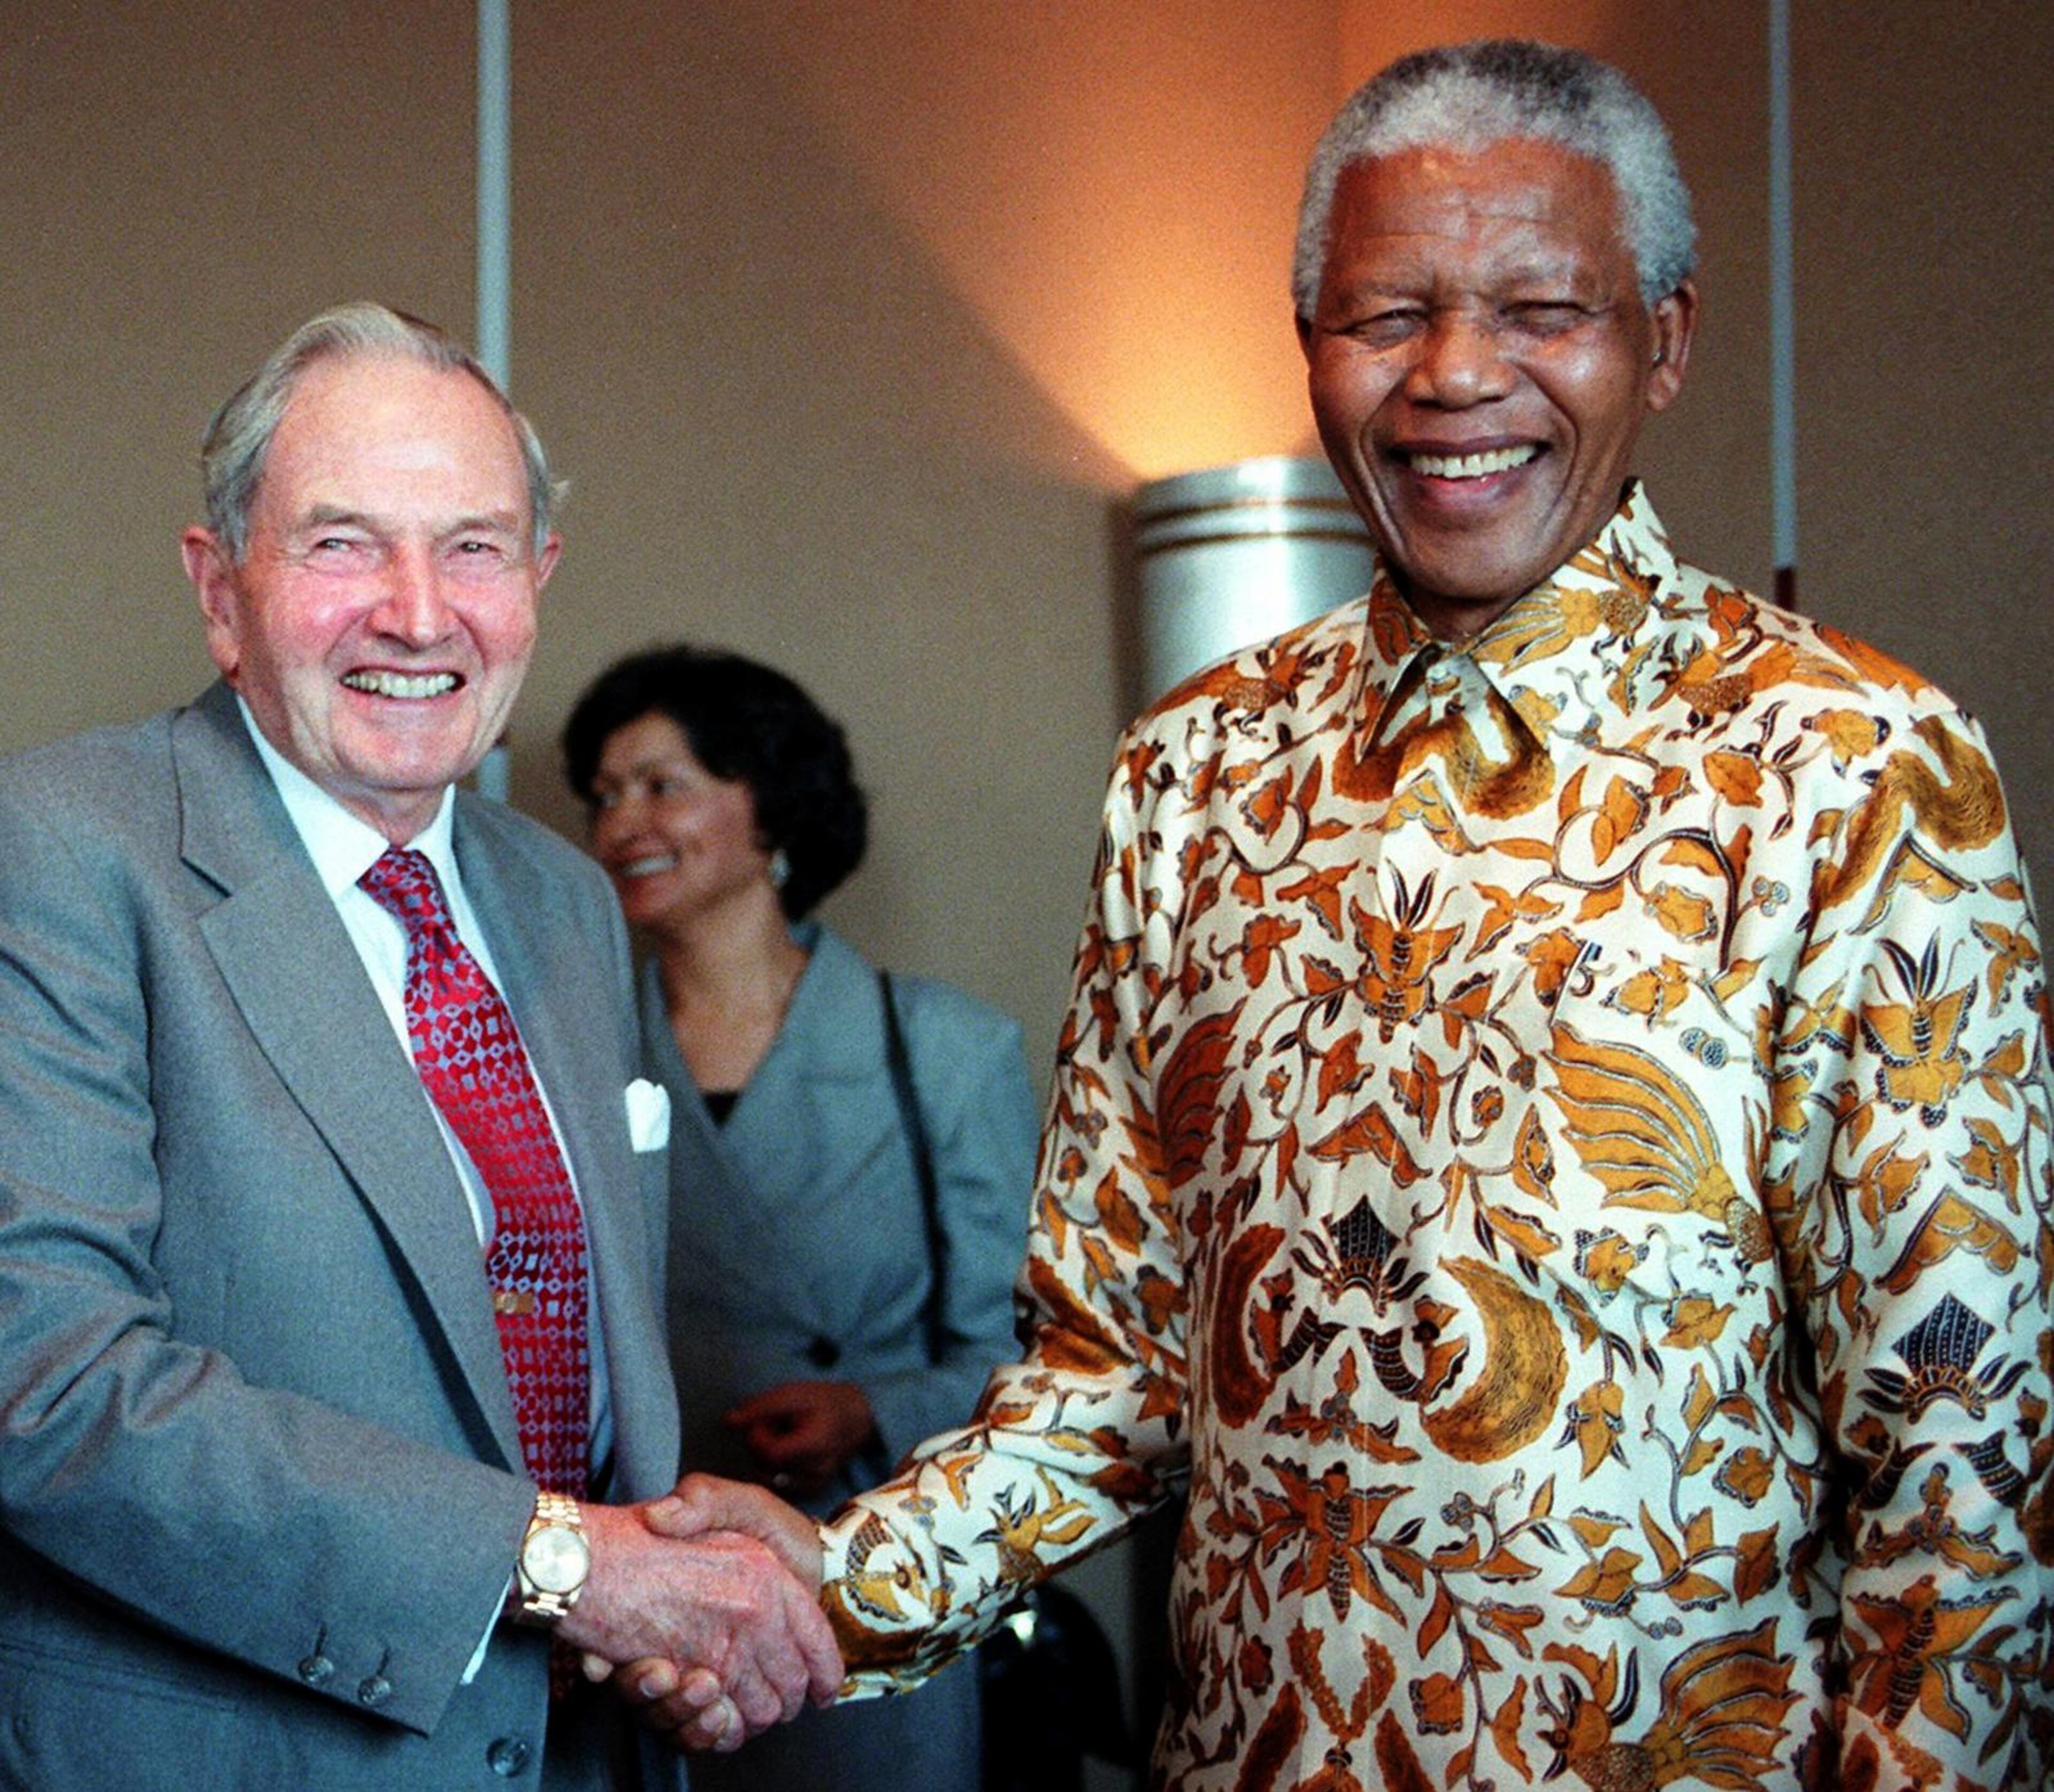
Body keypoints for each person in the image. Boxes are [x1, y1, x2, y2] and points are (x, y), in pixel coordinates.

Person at [650, 39, 2054, 1790]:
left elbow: (1958, 1449)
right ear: (1311, 345)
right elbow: (1118, 1371)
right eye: (1386, 315)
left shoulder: (1851, 766)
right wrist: (836, 1586)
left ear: (1668, 341)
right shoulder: (1192, 772)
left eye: (1543, 306)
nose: (1457, 375)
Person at [0, 303, 839, 1791]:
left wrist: (670, 1584)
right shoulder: (60, 851)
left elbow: (564, 1354)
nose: (416, 611)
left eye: (473, 546)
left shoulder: (570, 903)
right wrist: (576, 1564)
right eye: (340, 543)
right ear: (219, 588)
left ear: (536, 581)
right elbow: (45, 1382)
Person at [561, 644, 1040, 1791]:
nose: (623, 821)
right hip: (635, 1610)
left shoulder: (947, 1052)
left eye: (663, 782)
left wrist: (867, 1408)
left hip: (862, 1594)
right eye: (605, 795)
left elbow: (1034, 1363)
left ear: (767, 804)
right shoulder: (563, 1055)